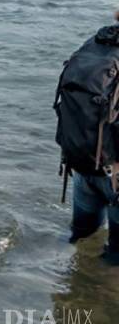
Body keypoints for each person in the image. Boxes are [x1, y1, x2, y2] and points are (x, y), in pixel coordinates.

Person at [54, 18, 119, 265]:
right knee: (115, 260)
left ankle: (65, 281)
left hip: (83, 165)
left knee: (80, 238)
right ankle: (95, 287)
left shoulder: (95, 43)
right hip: (116, 176)